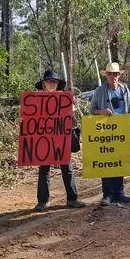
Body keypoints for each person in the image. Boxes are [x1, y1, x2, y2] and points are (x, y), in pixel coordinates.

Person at [32, 70, 85, 212]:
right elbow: (31, 118)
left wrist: (70, 112)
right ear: (44, 83)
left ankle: (72, 199)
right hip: (44, 140)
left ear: (57, 84)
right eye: (49, 81)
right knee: (44, 169)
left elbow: (72, 116)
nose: (51, 84)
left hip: (61, 138)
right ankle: (43, 201)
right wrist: (23, 120)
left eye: (54, 81)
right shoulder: (36, 99)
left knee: (67, 168)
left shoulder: (64, 98)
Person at [91, 62, 130, 206]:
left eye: (115, 74)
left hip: (121, 131)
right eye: (110, 74)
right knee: (107, 161)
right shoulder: (99, 91)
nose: (113, 77)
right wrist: (101, 111)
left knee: (120, 160)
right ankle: (108, 194)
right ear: (106, 76)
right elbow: (92, 110)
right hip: (106, 132)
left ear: (119, 75)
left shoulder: (124, 89)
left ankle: (120, 192)